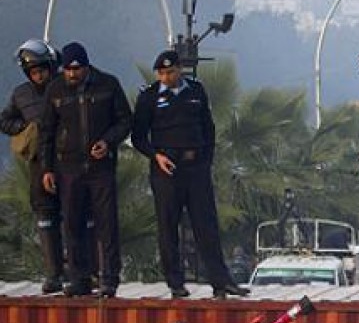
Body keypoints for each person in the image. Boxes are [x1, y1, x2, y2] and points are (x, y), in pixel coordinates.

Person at [131, 50, 250, 299]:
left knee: (205, 224)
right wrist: (156, 156)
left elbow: (208, 128)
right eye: (162, 73)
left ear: (179, 70)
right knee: (168, 225)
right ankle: (175, 282)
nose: (166, 77)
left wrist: (205, 160)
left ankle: (220, 281)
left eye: (170, 72)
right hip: (166, 168)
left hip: (195, 166)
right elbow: (139, 137)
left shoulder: (196, 91)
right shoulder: (150, 97)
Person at [39, 42, 132, 298]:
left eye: (76, 69)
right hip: (68, 167)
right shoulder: (55, 90)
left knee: (106, 223)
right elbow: (46, 131)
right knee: (72, 223)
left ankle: (109, 278)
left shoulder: (108, 84)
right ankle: (79, 278)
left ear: (86, 66)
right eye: (67, 69)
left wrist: (108, 141)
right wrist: (46, 169)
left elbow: (125, 120)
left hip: (101, 167)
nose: (71, 74)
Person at [0, 40, 64, 292]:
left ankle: (84, 271)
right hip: (38, 163)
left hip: (66, 160)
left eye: (42, 70)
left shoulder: (63, 88)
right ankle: (53, 274)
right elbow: (4, 120)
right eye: (33, 72)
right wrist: (26, 129)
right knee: (45, 217)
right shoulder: (21, 94)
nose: (38, 76)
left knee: (75, 215)